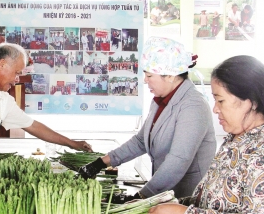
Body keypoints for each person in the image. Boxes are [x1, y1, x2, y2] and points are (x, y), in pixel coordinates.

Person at [145, 55, 264, 214]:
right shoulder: (234, 141)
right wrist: (169, 204)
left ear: (251, 102)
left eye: (220, 100)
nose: (215, 109)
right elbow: (211, 202)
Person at [78, 37, 216, 200]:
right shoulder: (161, 100)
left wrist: (141, 196)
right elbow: (141, 141)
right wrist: (101, 163)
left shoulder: (193, 106)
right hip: (165, 193)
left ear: (170, 76)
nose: (145, 80)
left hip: (187, 197)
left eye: (149, 76)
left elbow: (178, 160)